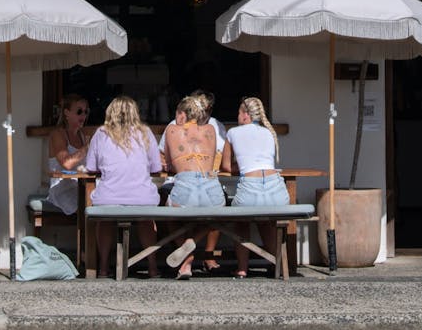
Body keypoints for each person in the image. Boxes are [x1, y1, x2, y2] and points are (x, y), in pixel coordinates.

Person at [85, 95, 162, 278]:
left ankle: (103, 267)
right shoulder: (145, 132)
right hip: (142, 198)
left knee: (105, 220)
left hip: (108, 197)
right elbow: (157, 167)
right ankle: (152, 267)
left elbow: (90, 168)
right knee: (146, 220)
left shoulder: (101, 134)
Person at [221, 96, 288, 279]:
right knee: (267, 220)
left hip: (250, 187)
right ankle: (279, 265)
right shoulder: (268, 132)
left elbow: (225, 166)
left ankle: (242, 268)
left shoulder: (233, 133)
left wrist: (241, 166)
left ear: (245, 115)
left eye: (238, 112)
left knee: (242, 221)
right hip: (277, 188)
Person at [163, 95, 226, 279]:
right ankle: (190, 250)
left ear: (182, 114)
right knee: (215, 216)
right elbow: (213, 158)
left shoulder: (172, 130)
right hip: (211, 187)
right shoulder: (211, 130)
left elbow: (168, 163)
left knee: (170, 217)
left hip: (185, 188)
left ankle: (187, 249)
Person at [46, 93, 90, 215]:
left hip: (82, 187)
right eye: (79, 111)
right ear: (66, 113)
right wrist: (87, 148)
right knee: (88, 206)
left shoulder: (82, 135)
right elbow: (67, 163)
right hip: (62, 189)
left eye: (86, 112)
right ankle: (86, 234)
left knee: (104, 200)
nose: (83, 115)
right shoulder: (58, 135)